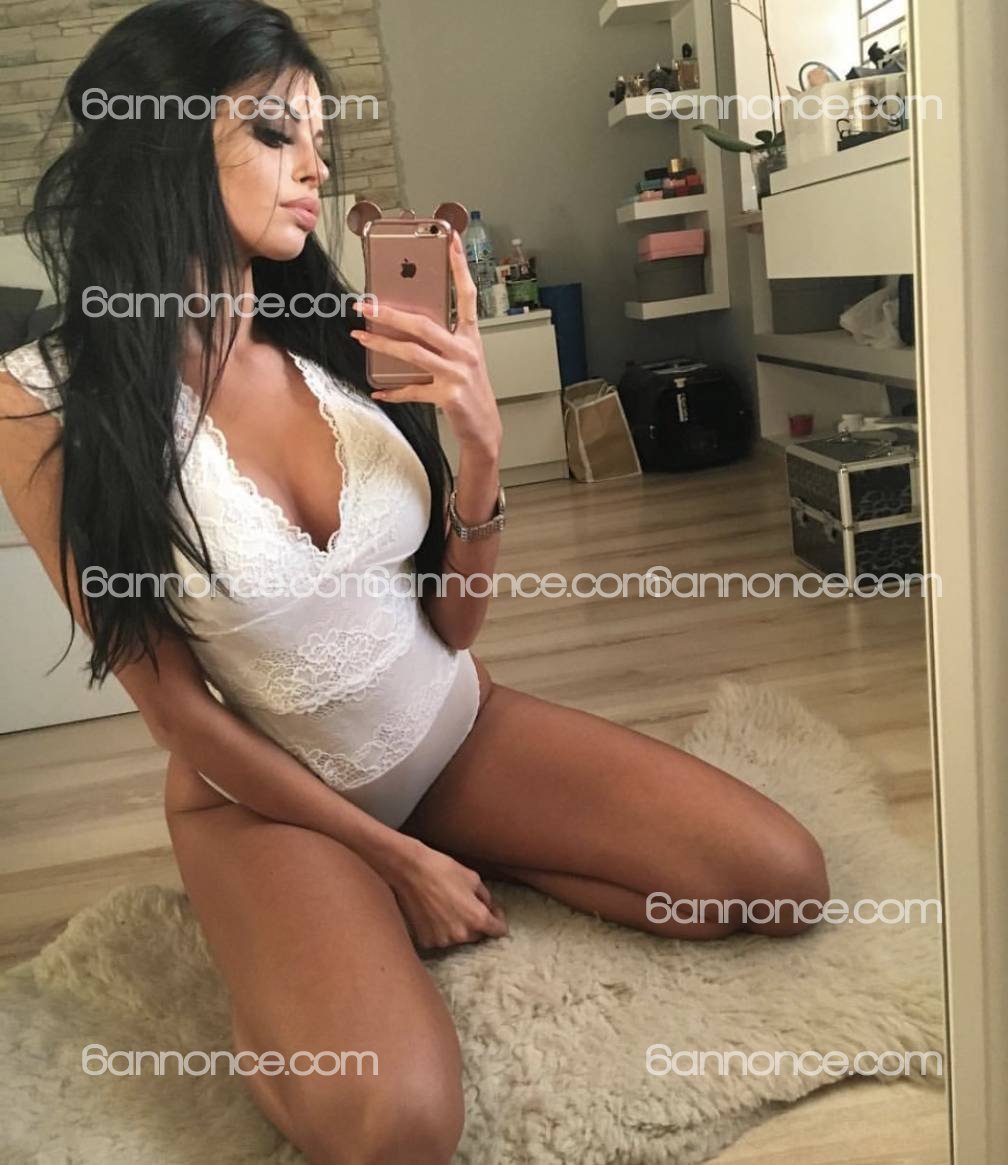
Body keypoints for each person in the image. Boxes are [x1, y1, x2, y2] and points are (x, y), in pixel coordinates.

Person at [0, 2, 829, 1162]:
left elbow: (454, 621)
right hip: (267, 803)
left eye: (320, 139)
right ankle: (293, 950)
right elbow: (174, 708)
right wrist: (397, 862)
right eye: (277, 132)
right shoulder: (40, 400)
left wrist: (480, 450)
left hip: (455, 728)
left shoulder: (339, 332)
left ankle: (464, 853)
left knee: (781, 881)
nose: (315, 167)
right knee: (397, 1123)